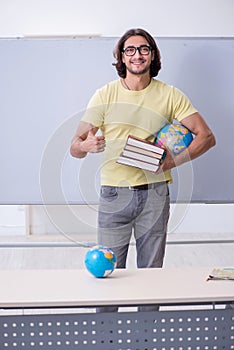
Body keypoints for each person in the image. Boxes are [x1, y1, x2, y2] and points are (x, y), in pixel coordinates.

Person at [70, 28, 216, 312]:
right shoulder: (105, 94)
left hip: (155, 194)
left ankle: (146, 338)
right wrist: (86, 147)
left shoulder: (170, 94)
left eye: (144, 49)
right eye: (130, 50)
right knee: (108, 277)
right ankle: (107, 337)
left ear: (153, 55)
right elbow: (75, 146)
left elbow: (206, 137)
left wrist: (172, 162)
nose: (137, 55)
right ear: (121, 58)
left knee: (151, 276)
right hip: (114, 195)